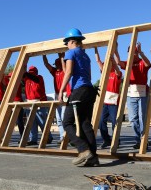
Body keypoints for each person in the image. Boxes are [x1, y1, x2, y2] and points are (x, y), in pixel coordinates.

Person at [58, 28, 99, 166]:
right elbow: (89, 75)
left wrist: (61, 90)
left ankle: (83, 150)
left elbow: (68, 72)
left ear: (72, 41)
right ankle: (94, 158)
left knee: (67, 123)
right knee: (86, 124)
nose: (66, 45)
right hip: (89, 90)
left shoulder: (71, 52)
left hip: (79, 91)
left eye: (67, 42)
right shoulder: (85, 55)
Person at [114, 42, 151, 149]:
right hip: (131, 94)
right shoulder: (128, 63)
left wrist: (141, 53)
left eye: (134, 52)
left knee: (142, 117)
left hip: (142, 93)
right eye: (130, 52)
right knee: (133, 119)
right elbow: (118, 63)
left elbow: (148, 64)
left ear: (137, 53)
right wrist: (116, 51)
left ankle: (144, 141)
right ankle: (138, 139)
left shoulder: (141, 62)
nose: (133, 54)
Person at [95, 47, 122, 149]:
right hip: (105, 102)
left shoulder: (117, 74)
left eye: (108, 63)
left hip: (114, 102)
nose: (105, 65)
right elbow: (98, 60)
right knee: (101, 121)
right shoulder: (104, 73)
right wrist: (95, 49)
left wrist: (113, 58)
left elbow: (117, 69)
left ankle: (116, 140)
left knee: (115, 122)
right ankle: (106, 140)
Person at [43, 53, 71, 144]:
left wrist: (62, 57)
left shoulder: (64, 71)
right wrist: (44, 55)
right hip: (57, 94)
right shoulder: (55, 72)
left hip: (65, 94)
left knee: (63, 116)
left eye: (57, 64)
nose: (56, 66)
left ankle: (67, 136)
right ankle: (62, 136)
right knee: (59, 118)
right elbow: (46, 65)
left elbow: (64, 66)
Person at [23, 65, 53, 145]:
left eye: (33, 72)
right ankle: (33, 139)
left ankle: (48, 137)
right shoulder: (27, 79)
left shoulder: (39, 78)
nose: (31, 74)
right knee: (31, 123)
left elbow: (35, 79)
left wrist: (26, 73)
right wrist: (23, 70)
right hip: (29, 103)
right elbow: (22, 77)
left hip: (40, 102)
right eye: (30, 72)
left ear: (36, 72)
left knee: (42, 122)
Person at [4, 72, 24, 137]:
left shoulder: (17, 83)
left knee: (19, 121)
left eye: (10, 77)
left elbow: (5, 82)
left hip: (17, 102)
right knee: (17, 121)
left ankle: (22, 136)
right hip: (13, 103)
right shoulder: (12, 83)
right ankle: (22, 136)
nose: (9, 78)